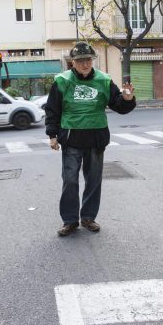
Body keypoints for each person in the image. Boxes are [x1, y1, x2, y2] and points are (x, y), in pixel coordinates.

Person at [45, 41, 136, 236]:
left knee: (93, 180)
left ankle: (88, 217)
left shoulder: (104, 80)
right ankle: (70, 220)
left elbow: (118, 105)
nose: (85, 64)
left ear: (92, 61)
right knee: (69, 180)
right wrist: (52, 135)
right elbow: (52, 109)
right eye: (80, 61)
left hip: (96, 138)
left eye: (88, 60)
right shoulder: (62, 81)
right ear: (73, 63)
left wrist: (127, 99)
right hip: (71, 138)